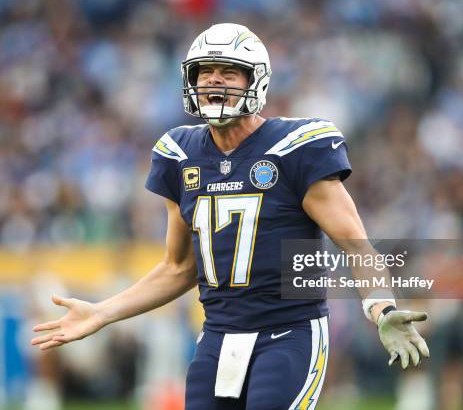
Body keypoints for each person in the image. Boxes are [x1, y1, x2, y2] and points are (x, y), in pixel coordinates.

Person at [31, 23, 429, 409]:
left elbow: (357, 246)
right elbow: (179, 267)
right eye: (206, 72)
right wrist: (102, 312)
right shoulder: (181, 153)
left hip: (288, 335)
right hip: (218, 337)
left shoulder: (295, 148)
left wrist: (382, 308)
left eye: (228, 72)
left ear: (255, 81)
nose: (214, 82)